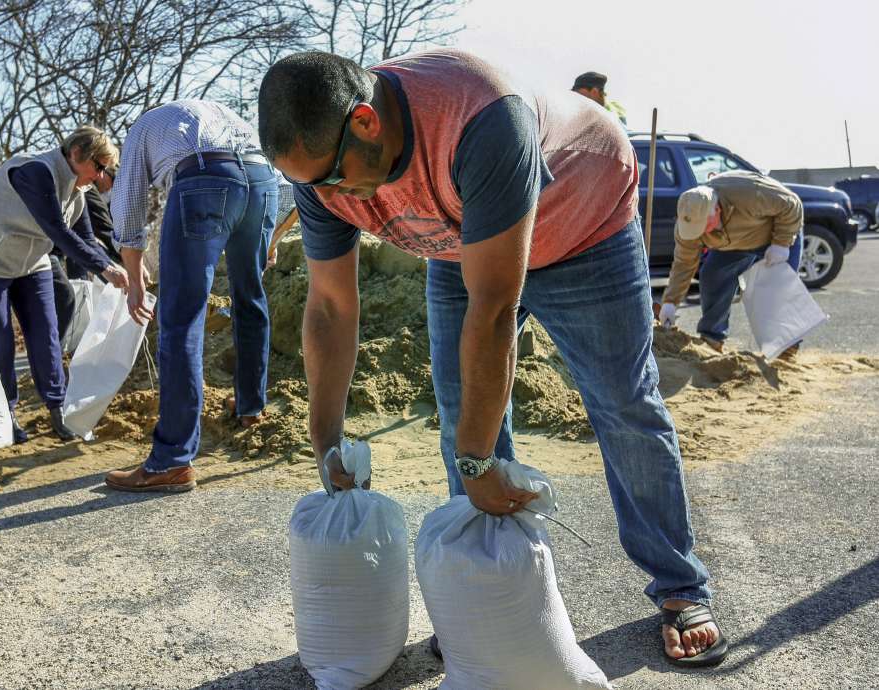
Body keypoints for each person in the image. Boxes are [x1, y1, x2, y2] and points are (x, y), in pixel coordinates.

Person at [258, 49, 727, 667]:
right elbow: (329, 308)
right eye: (307, 185)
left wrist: (479, 464)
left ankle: (678, 587)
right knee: (463, 420)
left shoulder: (478, 118)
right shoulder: (322, 170)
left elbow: (493, 307)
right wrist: (326, 443)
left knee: (622, 404)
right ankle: (481, 601)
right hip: (459, 241)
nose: (326, 196)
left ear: (366, 121)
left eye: (330, 178)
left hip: (583, 225)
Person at [103, 99, 280, 493]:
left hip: (205, 181)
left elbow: (128, 204)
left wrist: (134, 280)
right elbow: (272, 171)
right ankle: (252, 409)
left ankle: (172, 460)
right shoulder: (222, 114)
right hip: (263, 181)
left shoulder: (143, 127)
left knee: (181, 317)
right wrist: (266, 237)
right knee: (250, 297)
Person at [0, 126, 129, 444]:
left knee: (46, 336)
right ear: (76, 154)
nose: (102, 176)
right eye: (99, 167)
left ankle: (58, 409)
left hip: (31, 261)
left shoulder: (80, 187)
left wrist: (117, 265)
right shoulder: (35, 171)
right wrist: (105, 268)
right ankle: (5, 413)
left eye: (105, 169)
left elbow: (85, 238)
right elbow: (57, 229)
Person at [657, 171, 804, 352]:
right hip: (731, 244)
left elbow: (792, 205)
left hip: (774, 235)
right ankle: (712, 337)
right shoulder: (689, 226)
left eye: (704, 227)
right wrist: (671, 302)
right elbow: (684, 264)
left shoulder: (750, 194)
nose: (701, 233)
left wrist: (781, 243)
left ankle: (787, 345)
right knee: (713, 276)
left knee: (775, 288)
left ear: (716, 210)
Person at [50, 167, 125, 351]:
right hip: (51, 250)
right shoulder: (85, 188)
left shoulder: (84, 188)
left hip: (73, 249)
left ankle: (68, 343)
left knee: (74, 291)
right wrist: (124, 260)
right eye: (100, 170)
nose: (106, 186)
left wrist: (124, 261)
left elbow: (92, 237)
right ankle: (57, 351)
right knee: (67, 295)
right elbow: (104, 231)